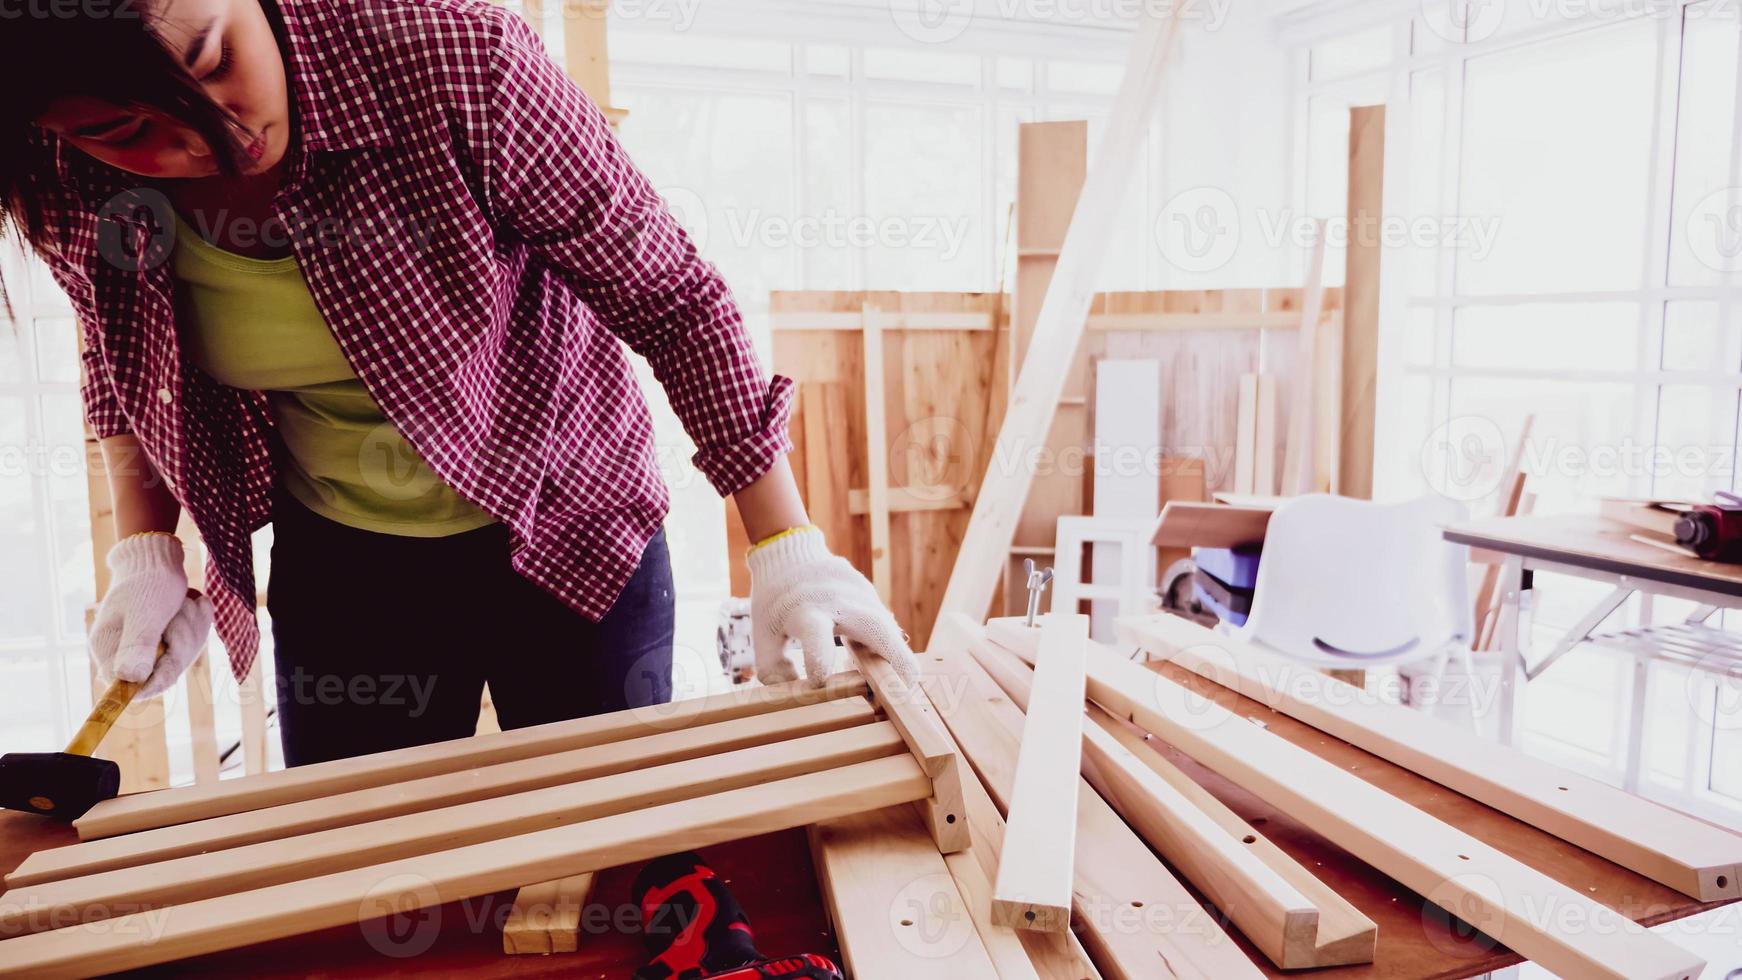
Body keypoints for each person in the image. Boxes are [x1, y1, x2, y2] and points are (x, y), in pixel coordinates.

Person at [0, 0, 919, 768]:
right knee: (362, 865)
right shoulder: (60, 176)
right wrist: (147, 553)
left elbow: (670, 297)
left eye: (212, 60)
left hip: (568, 520)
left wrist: (786, 545)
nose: (217, 135)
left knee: (604, 841)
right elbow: (122, 355)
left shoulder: (456, 63)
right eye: (126, 131)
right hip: (347, 561)